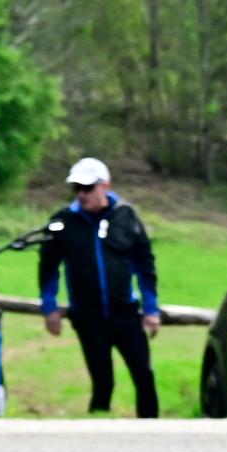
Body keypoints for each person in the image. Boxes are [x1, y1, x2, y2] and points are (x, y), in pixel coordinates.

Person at [38, 157, 162, 418]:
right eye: (77, 189)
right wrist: (50, 307)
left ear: (105, 186)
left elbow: (145, 265)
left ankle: (152, 432)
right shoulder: (63, 221)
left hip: (126, 314)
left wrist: (151, 309)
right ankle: (96, 432)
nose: (82, 195)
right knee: (103, 381)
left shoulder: (126, 217)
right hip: (88, 316)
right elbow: (48, 267)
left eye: (87, 188)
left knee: (144, 376)